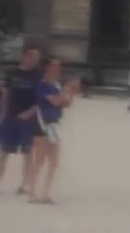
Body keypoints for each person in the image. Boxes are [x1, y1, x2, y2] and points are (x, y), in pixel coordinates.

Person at [26, 57, 77, 204]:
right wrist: (66, 91)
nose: (57, 69)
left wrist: (70, 93)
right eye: (54, 66)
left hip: (54, 123)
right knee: (39, 160)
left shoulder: (57, 85)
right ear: (47, 68)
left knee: (54, 161)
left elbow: (66, 103)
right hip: (42, 123)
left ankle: (46, 193)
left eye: (58, 67)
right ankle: (32, 192)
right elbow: (54, 100)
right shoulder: (42, 85)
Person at [0, 45, 41, 195]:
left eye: (36, 57)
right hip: (10, 116)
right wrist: (2, 114)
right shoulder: (12, 73)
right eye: (32, 56)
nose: (34, 60)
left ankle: (24, 184)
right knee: (3, 152)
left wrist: (30, 112)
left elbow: (41, 99)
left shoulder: (38, 75)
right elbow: (6, 93)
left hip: (28, 119)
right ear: (24, 56)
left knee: (28, 153)